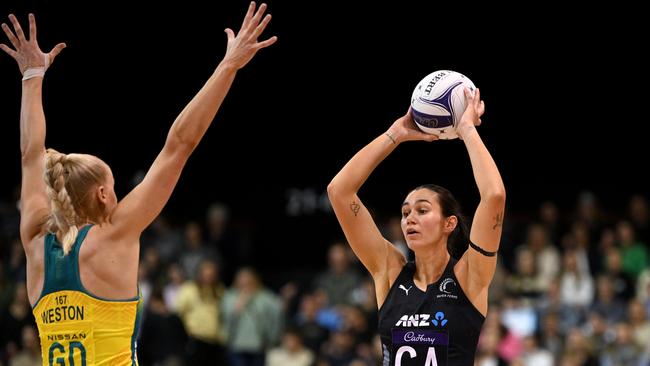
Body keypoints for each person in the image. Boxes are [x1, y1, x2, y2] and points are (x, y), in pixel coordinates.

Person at [1, 3, 276, 365]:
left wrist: (31, 75)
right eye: (114, 184)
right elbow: (179, 145)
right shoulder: (114, 234)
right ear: (102, 194)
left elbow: (29, 153)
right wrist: (228, 66)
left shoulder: (35, 241)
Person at [327, 87, 505, 365]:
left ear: (449, 223)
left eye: (422, 210)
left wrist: (467, 129)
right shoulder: (389, 270)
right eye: (405, 212)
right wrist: (394, 136)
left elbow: (494, 196)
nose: (410, 218)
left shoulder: (469, 275)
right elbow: (339, 191)